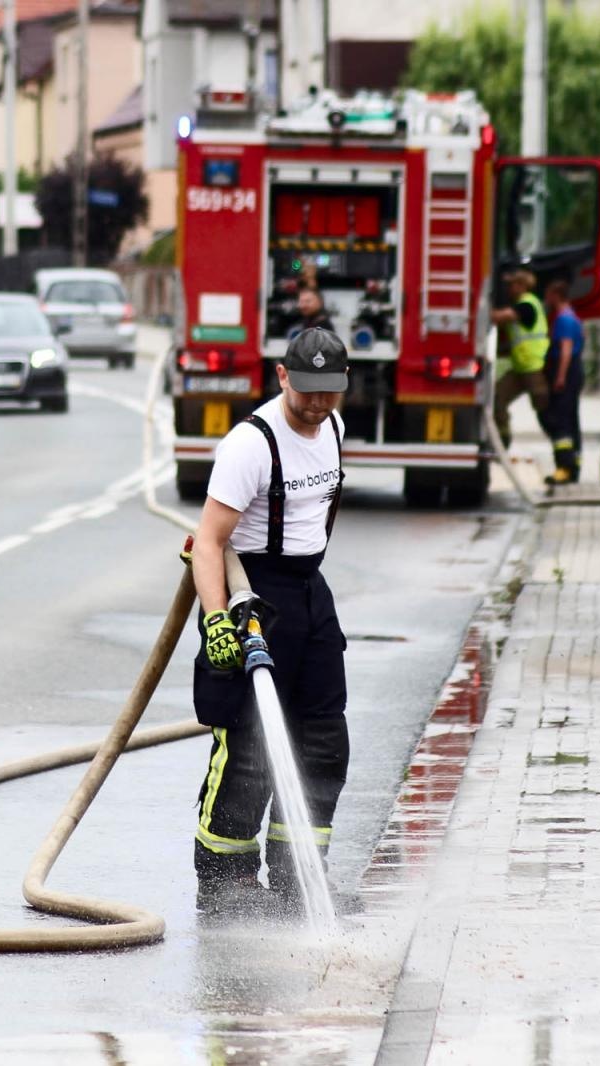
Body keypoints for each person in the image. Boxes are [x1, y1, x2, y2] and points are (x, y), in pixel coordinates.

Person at [189, 327, 351, 919]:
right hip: (253, 593)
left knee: (324, 742)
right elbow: (209, 542)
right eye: (305, 391)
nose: (316, 404)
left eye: (328, 392)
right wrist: (218, 624)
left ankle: (296, 879)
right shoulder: (250, 445)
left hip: (310, 594)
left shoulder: (334, 427)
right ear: (282, 377)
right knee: (250, 751)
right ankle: (226, 882)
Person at [488, 270, 550, 450]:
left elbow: (500, 317)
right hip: (520, 367)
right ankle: (502, 443)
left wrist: (483, 309)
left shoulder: (527, 305)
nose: (509, 288)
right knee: (498, 398)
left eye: (513, 284)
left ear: (522, 286)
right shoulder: (521, 305)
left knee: (545, 410)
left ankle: (564, 450)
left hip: (534, 368)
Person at [541, 280, 585, 484]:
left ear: (557, 295)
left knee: (560, 420)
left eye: (549, 295)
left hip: (565, 371)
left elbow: (566, 350)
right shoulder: (573, 316)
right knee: (571, 418)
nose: (546, 299)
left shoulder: (564, 319)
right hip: (573, 372)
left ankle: (564, 467)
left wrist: (559, 376)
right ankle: (574, 465)